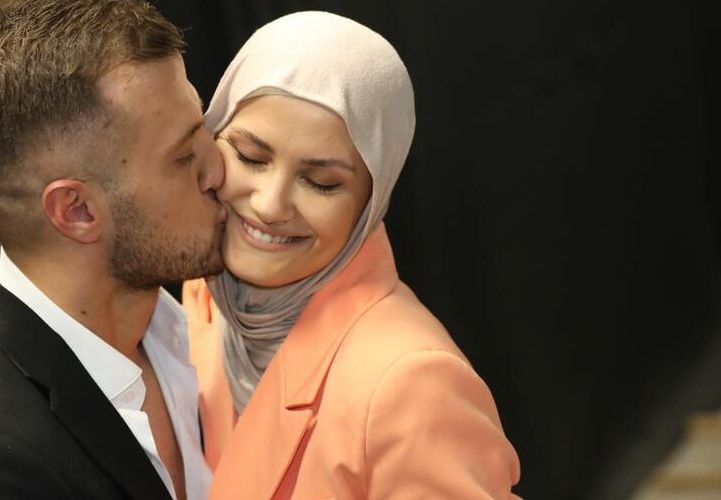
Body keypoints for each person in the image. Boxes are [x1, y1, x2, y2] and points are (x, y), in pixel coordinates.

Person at [0, 1, 225, 499]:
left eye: (205, 128)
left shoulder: (188, 330)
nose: (219, 169)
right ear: (76, 210)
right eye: (183, 156)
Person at [182, 11, 522, 499]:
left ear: (370, 204)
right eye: (250, 157)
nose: (270, 205)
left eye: (321, 183)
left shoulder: (411, 385)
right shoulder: (206, 294)